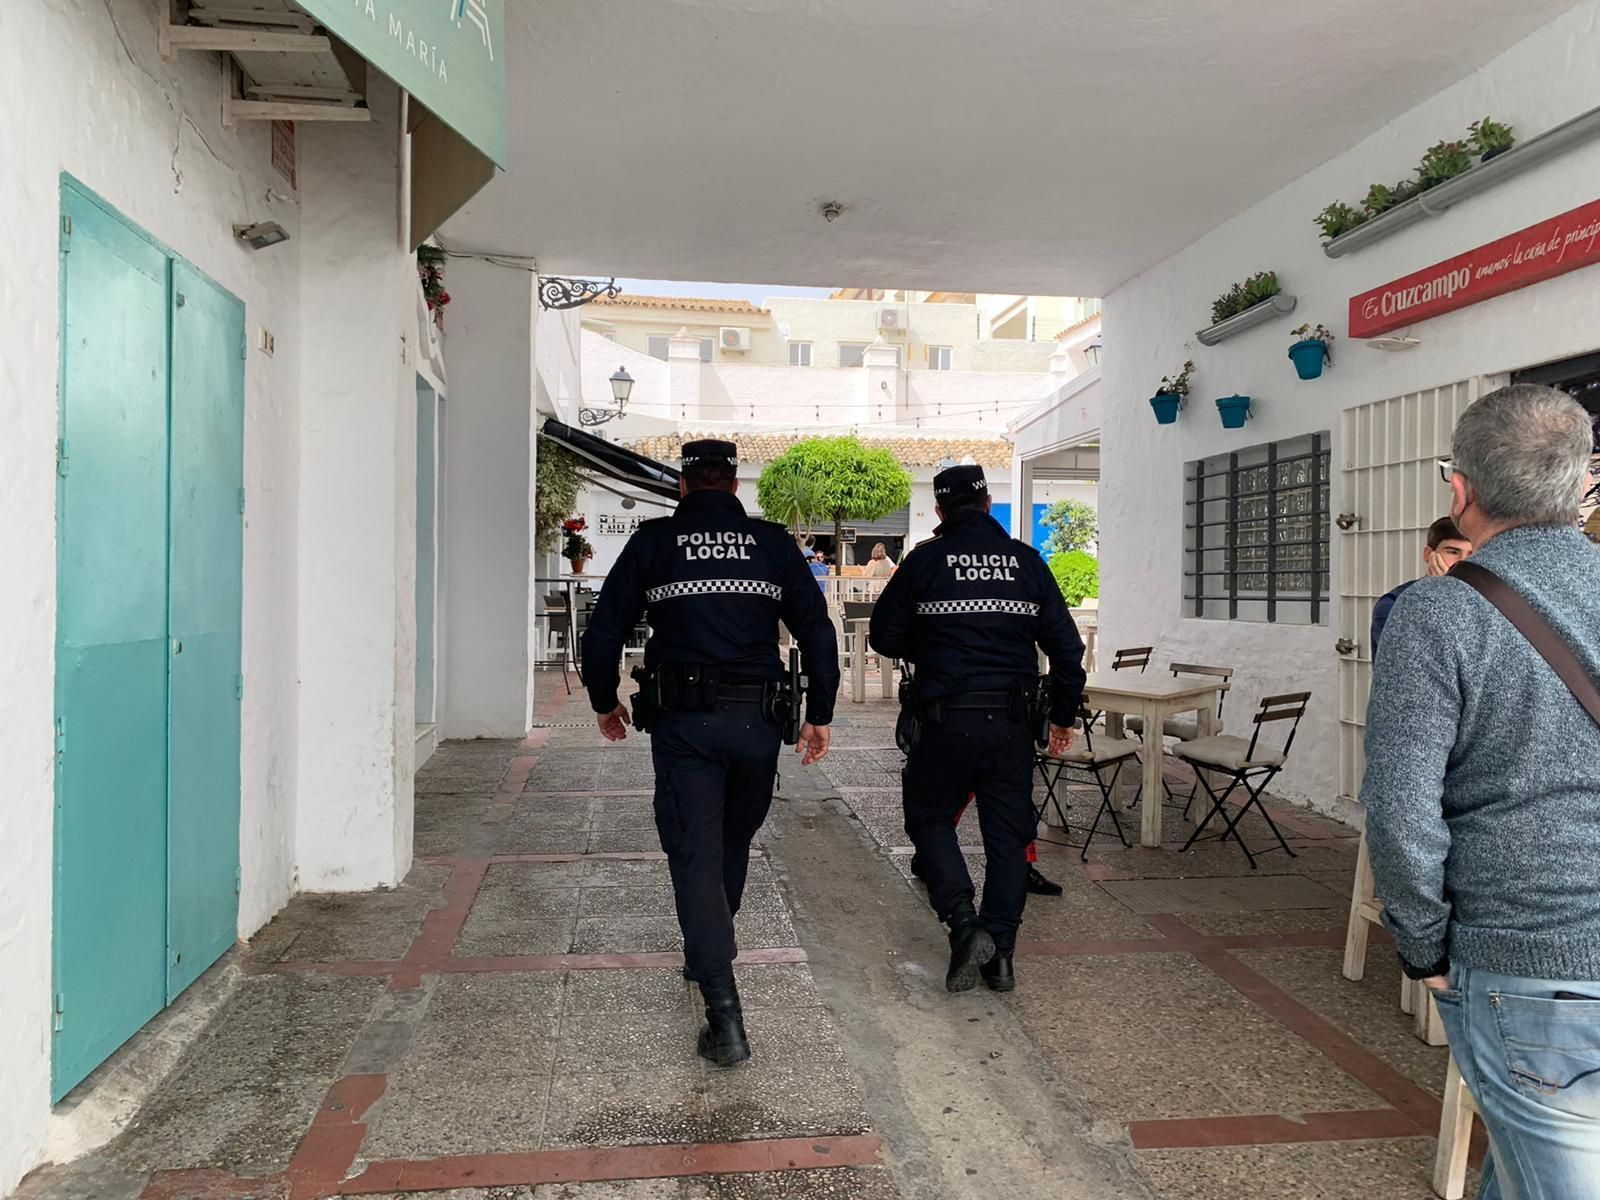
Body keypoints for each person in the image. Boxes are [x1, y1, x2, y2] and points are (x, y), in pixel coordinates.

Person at [1362, 384, 1600, 1197]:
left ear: (1460, 490)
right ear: (1581, 483)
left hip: (1530, 958)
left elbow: (1399, 809)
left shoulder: (1436, 614)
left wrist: (1422, 944)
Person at [582, 440, 840, 1067]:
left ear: (682, 487)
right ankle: (709, 955)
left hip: (686, 724)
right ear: (733, 484)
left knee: (696, 848)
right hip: (757, 722)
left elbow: (605, 626)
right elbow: (816, 627)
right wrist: (821, 713)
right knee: (729, 843)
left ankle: (722, 1010)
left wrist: (604, 700)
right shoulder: (773, 543)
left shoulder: (654, 542)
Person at [869, 464, 1086, 993]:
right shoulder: (1026, 562)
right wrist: (1062, 716)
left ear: (940, 512)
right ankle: (1002, 955)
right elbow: (1067, 650)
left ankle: (965, 924)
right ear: (988, 503)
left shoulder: (924, 562)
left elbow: (883, 635)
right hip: (1012, 723)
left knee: (929, 817)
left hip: (944, 718)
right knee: (1008, 838)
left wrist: (937, 648)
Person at [1369, 516, 1472, 651]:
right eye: (1452, 552)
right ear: (1428, 554)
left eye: (1471, 554)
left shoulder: (1486, 601)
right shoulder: (1392, 604)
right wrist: (1441, 593)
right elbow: (1415, 655)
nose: (1462, 562)